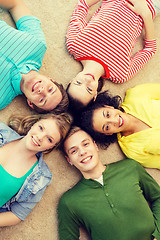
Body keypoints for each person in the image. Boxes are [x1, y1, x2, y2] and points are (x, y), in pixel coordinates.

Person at [58, 126, 160, 240]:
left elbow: (158, 197)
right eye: (74, 151)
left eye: (85, 144)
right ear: (69, 160)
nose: (82, 152)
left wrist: (157, 235)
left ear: (95, 145)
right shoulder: (69, 201)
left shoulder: (130, 167)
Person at [66, 0, 159, 110]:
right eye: (89, 89)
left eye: (78, 82)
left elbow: (82, 5)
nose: (87, 81)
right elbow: (150, 49)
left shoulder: (75, 45)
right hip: (151, 5)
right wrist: (146, 14)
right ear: (95, 94)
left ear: (72, 80)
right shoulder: (120, 74)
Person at [0, 112, 71, 226]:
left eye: (49, 139)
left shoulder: (39, 178)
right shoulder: (1, 132)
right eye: (41, 128)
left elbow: (17, 214)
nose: (40, 137)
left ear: (51, 147)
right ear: (34, 123)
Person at [0, 0, 68, 113]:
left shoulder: (1, 99)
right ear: (50, 79)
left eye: (42, 100)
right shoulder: (38, 45)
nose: (42, 90)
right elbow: (15, 5)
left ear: (30, 103)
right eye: (50, 89)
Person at [79, 83, 160, 169]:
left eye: (107, 114)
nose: (114, 121)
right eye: (107, 127)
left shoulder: (136, 95)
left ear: (109, 107)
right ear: (108, 133)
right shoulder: (132, 150)